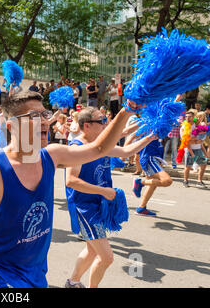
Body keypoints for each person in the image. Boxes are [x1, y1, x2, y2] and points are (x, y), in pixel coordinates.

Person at [0, 88, 141, 288]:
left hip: (36, 273)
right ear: (13, 126)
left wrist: (128, 109)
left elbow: (99, 148)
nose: (45, 121)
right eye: (34, 116)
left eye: (45, 114)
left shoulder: (52, 155)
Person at [65, 107, 155, 288]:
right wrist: (103, 191)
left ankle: (72, 282)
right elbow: (71, 181)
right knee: (107, 257)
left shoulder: (101, 145)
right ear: (87, 126)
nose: (106, 124)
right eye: (102, 121)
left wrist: (151, 136)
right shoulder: (77, 148)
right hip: (85, 207)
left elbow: (126, 152)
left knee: (92, 250)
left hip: (98, 204)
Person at [132, 136, 173, 216]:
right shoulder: (152, 129)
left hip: (155, 159)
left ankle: (141, 208)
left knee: (152, 185)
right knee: (167, 181)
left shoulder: (161, 132)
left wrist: (160, 160)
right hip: (150, 159)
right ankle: (140, 182)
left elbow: (159, 145)